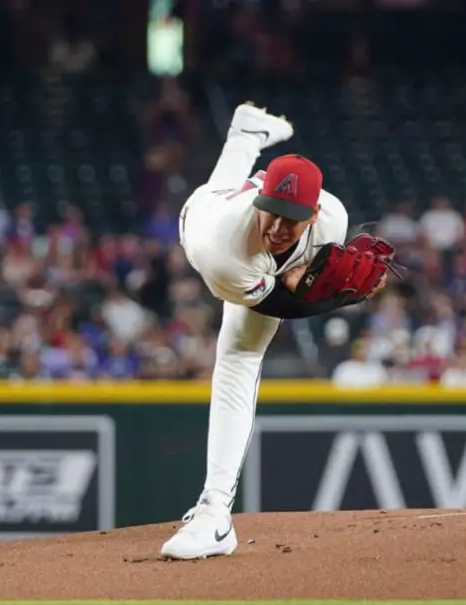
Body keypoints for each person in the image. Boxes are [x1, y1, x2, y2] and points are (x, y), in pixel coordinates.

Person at [161, 103, 400, 560]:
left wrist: (313, 280)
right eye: (271, 211)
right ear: (262, 202)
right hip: (203, 219)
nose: (276, 225)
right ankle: (214, 514)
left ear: (312, 216)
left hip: (243, 203)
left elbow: (301, 278)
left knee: (245, 347)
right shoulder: (222, 252)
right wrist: (349, 296)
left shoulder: (332, 218)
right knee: (238, 357)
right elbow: (286, 304)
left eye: (290, 216)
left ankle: (247, 132)